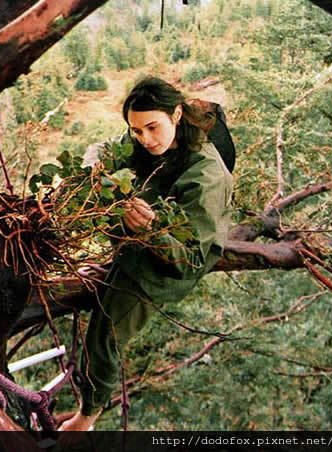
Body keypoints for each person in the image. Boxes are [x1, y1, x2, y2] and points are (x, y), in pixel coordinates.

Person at [59, 76, 233, 431]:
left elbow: (189, 262)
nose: (145, 139)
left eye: (152, 127)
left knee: (103, 335)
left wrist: (152, 229)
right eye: (136, 130)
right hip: (138, 234)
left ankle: (85, 418)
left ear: (177, 114)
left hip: (165, 265)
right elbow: (105, 148)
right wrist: (94, 166)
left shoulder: (207, 176)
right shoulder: (143, 137)